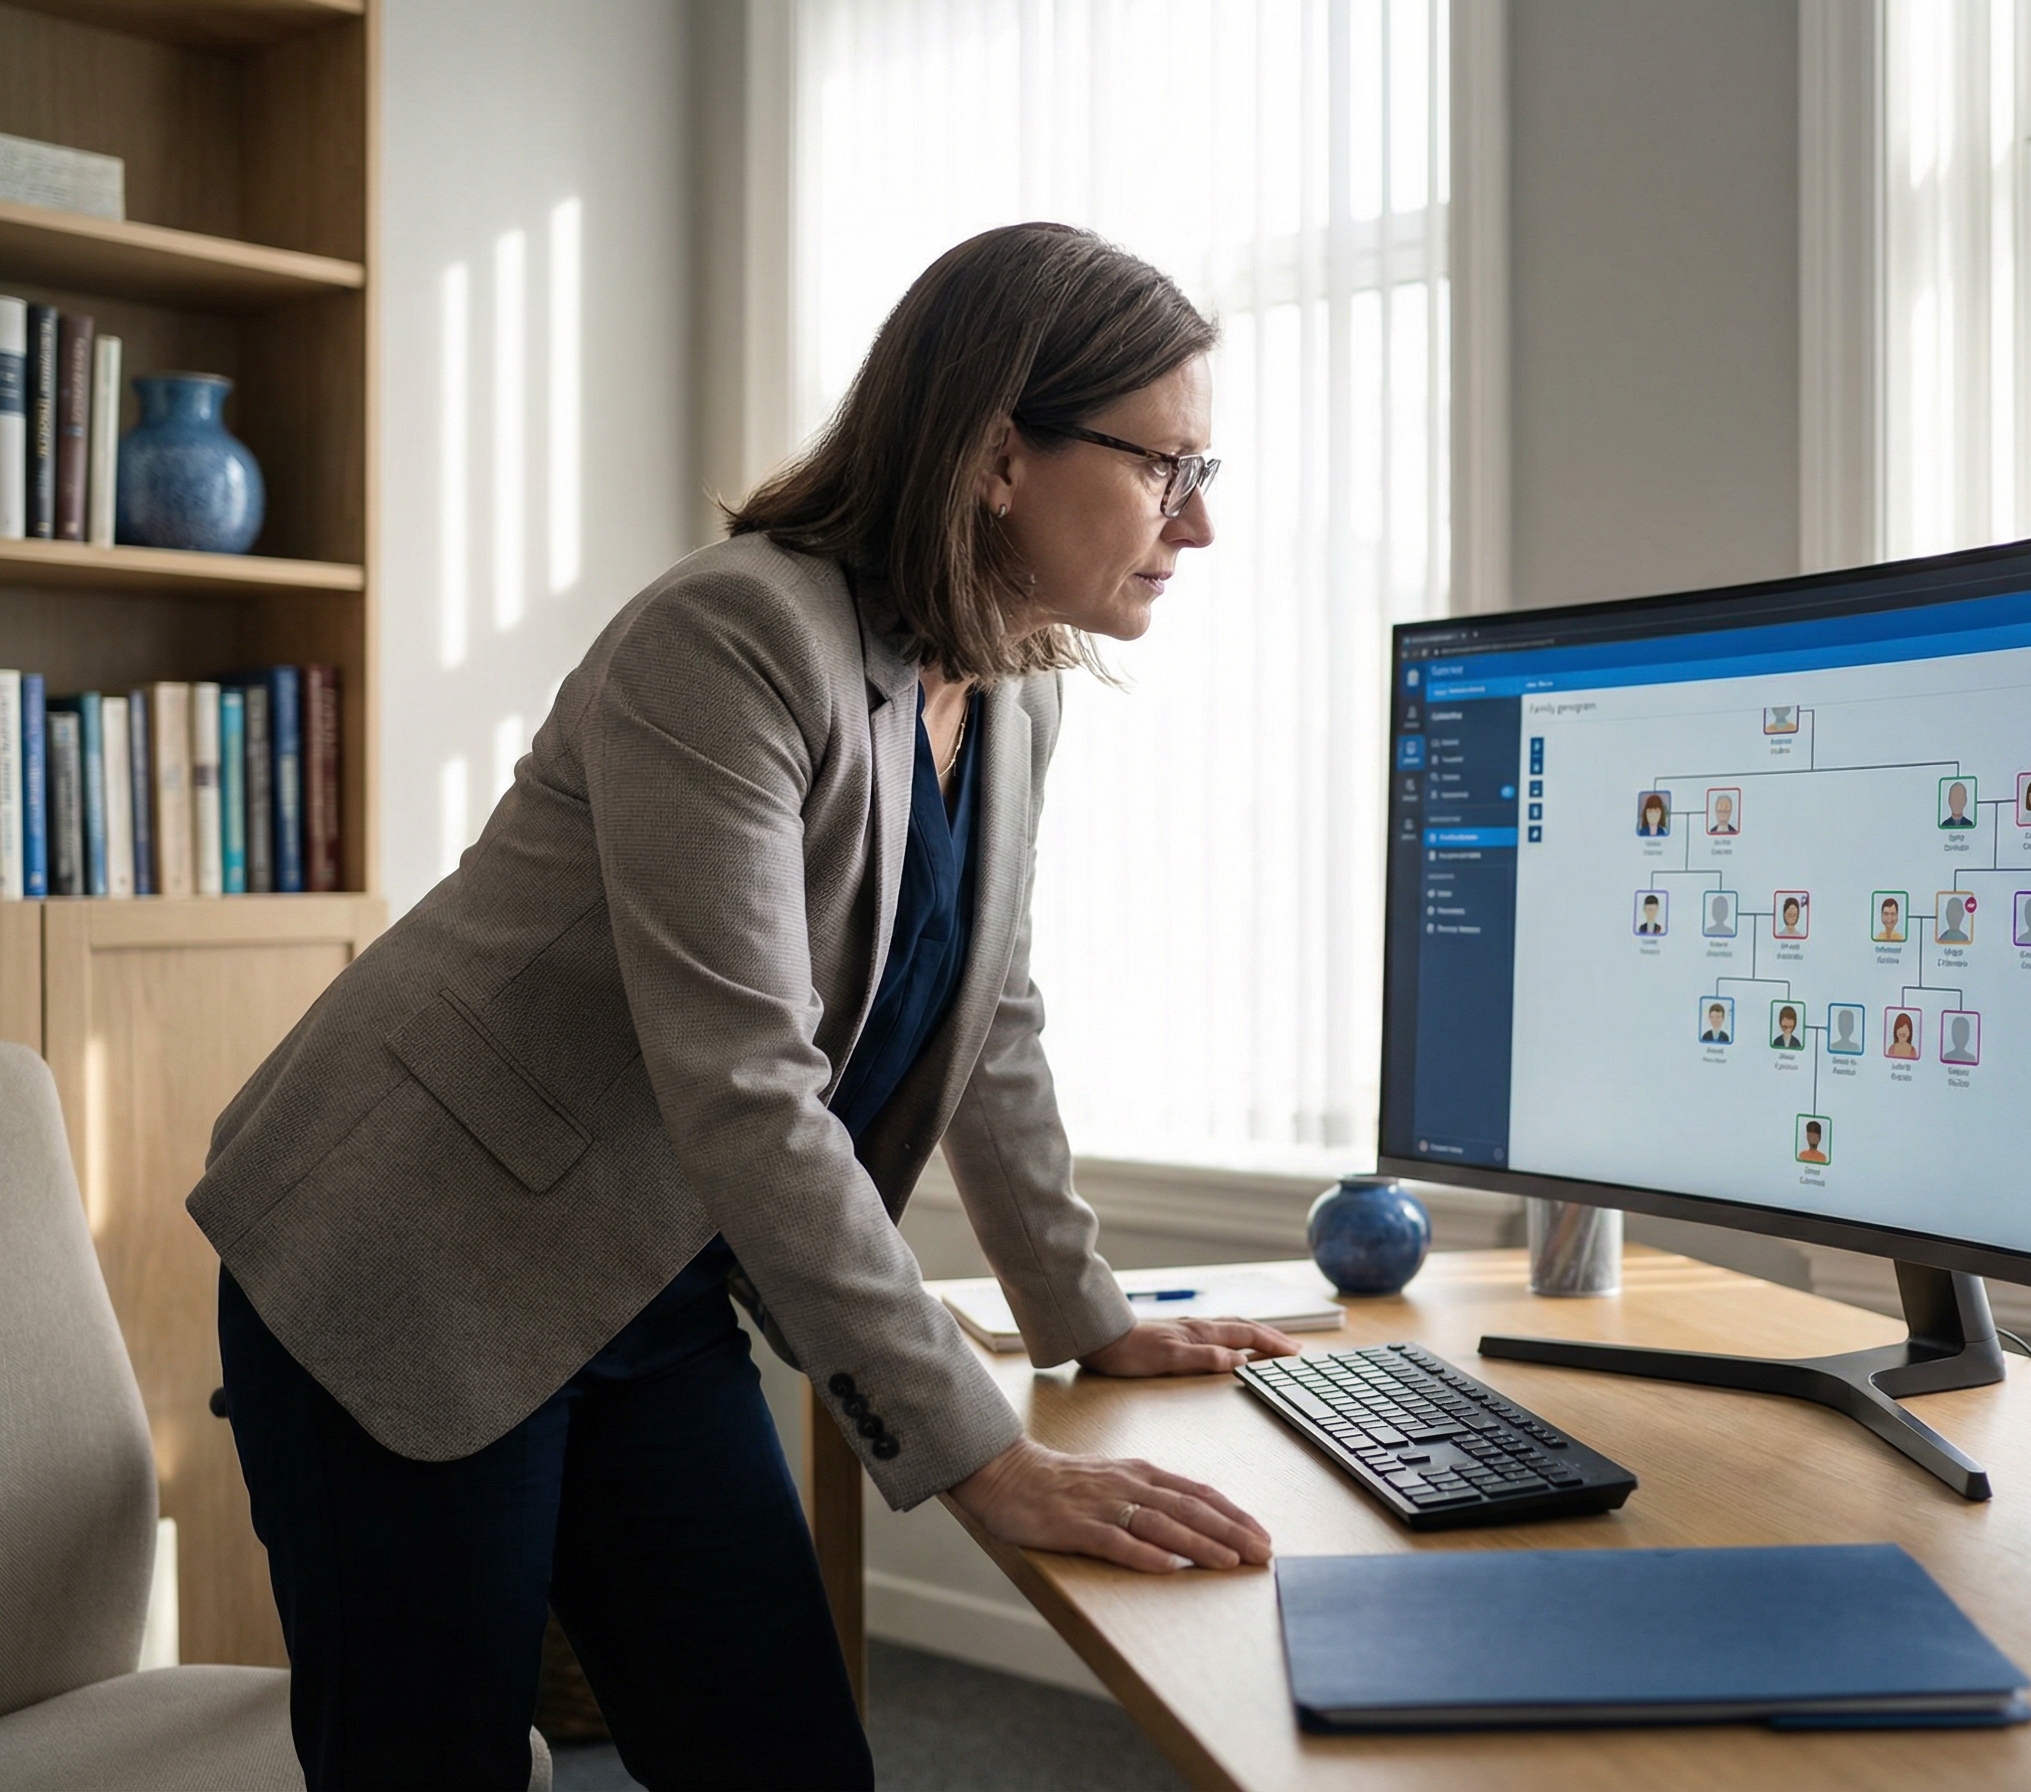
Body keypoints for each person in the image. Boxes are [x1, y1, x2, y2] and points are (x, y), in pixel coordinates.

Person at [184, 225, 1294, 1790]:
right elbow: (746, 1082)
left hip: (645, 1282)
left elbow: (996, 1023)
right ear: (996, 455)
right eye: (1170, 467)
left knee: (779, 1755)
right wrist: (981, 1459)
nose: (1201, 522)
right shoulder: (734, 635)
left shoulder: (1015, 692)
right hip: (411, 1253)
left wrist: (1085, 1319)